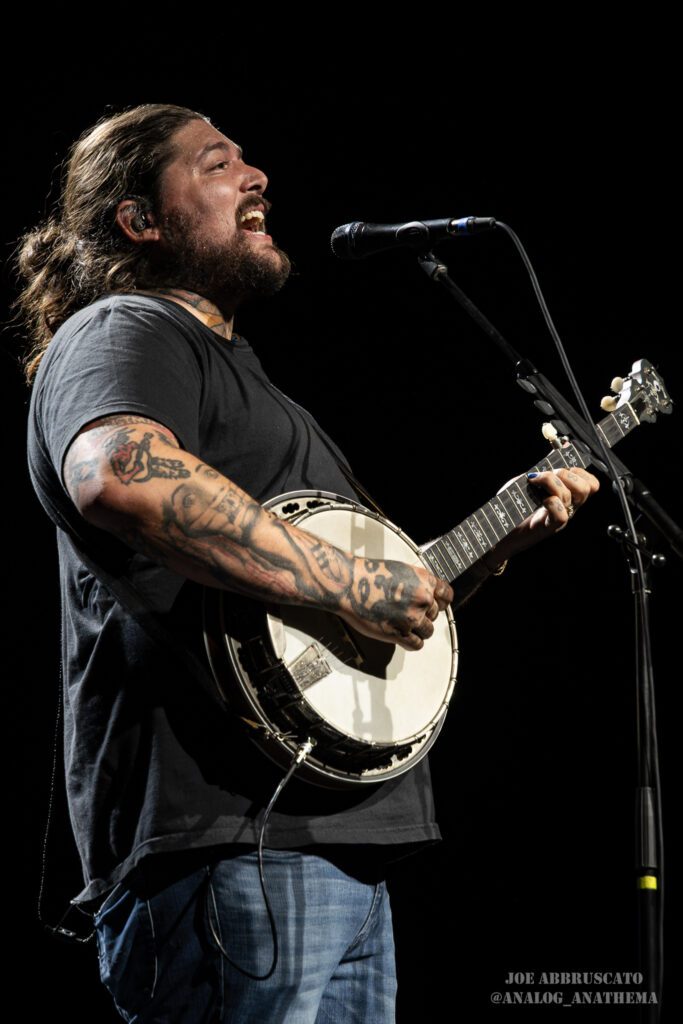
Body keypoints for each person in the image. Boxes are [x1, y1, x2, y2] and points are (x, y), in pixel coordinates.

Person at [18, 103, 598, 1022]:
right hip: (224, 844)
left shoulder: (256, 389)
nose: (256, 177)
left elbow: (340, 613)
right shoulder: (125, 330)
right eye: (216, 165)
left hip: (332, 843)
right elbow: (118, 473)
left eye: (247, 162)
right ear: (140, 219)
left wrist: (492, 544)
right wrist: (358, 581)